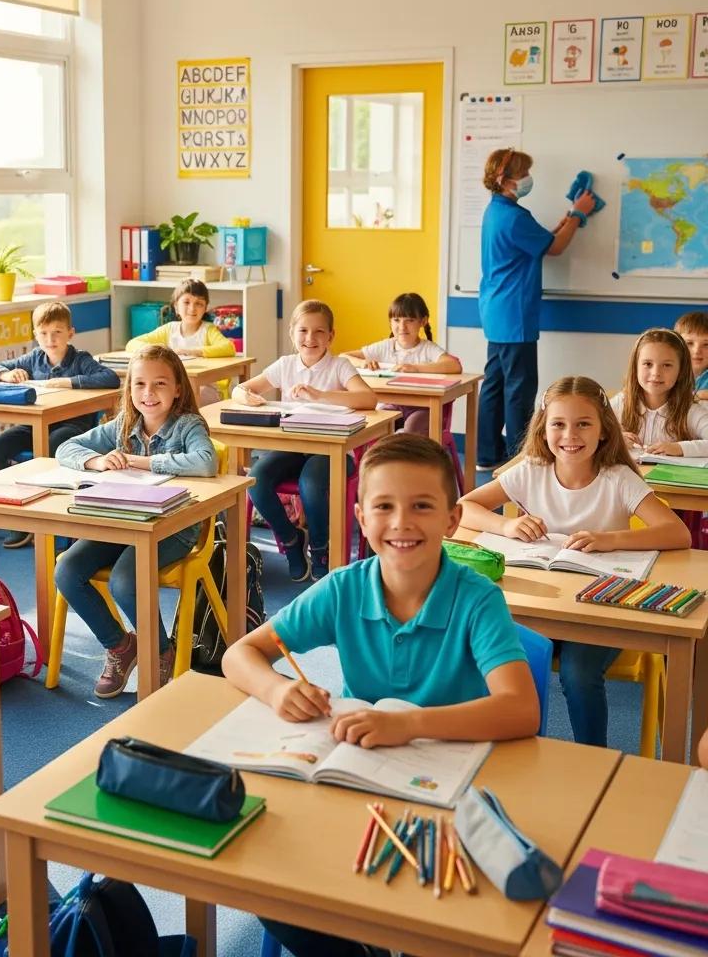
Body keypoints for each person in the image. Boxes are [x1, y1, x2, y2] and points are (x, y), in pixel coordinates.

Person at [222, 433, 539, 957]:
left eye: (421, 506)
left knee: (434, 914)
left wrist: (408, 723)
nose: (401, 523)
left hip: (449, 792)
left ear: (452, 519)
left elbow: (520, 709)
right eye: (384, 507)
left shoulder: (477, 599)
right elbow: (241, 655)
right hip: (355, 777)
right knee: (266, 881)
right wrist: (277, 690)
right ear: (362, 519)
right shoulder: (345, 587)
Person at [459, 376, 690, 747]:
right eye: (559, 424)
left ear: (603, 430)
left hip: (601, 609)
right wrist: (507, 524)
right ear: (544, 428)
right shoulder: (530, 471)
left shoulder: (618, 478)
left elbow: (677, 534)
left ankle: (593, 756)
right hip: (544, 605)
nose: (571, 435)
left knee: (578, 673)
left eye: (584, 424)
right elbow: (463, 508)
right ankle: (502, 747)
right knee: (490, 651)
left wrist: (609, 539)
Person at [53, 344, 218, 698]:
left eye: (160, 384)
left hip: (174, 528)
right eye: (140, 384)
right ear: (129, 390)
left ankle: (160, 650)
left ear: (177, 389)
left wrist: (139, 461)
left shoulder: (187, 425)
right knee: (67, 570)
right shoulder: (122, 425)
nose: (149, 393)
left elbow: (206, 462)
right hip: (122, 522)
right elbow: (65, 449)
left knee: (126, 580)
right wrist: (96, 462)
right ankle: (120, 645)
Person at [234, 299, 377, 582]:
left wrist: (320, 395)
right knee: (256, 479)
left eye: (319, 332)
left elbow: (368, 398)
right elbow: (241, 388)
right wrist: (245, 397)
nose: (310, 339)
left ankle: (320, 549)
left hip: (334, 453)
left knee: (310, 484)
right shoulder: (286, 365)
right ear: (292, 333)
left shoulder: (339, 366)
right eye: (303, 331)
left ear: (331, 336)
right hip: (294, 449)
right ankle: (290, 541)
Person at [477, 148, 596, 470]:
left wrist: (564, 223)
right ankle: (521, 458)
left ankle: (486, 455)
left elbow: (541, 241)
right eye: (524, 173)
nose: (529, 179)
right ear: (506, 179)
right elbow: (555, 248)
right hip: (514, 315)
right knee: (519, 388)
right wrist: (578, 212)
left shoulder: (496, 211)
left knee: (495, 385)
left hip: (496, 311)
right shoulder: (515, 217)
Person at [0, 300, 118, 548]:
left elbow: (109, 378)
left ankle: (55, 517)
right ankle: (18, 520)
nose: (50, 339)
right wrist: (5, 375)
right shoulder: (34, 359)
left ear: (70, 333)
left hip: (72, 427)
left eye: (57, 332)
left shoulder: (79, 359)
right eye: (43, 333)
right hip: (34, 426)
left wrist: (67, 382)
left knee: (55, 444)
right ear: (35, 335)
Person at [341, 291, 462, 435]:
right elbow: (344, 356)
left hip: (424, 408)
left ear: (423, 321)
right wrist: (363, 363)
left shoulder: (427, 348)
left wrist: (415, 368)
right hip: (393, 405)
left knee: (412, 426)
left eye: (409, 320)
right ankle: (381, 455)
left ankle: (409, 455)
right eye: (397, 320)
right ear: (390, 322)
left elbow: (454, 365)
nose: (402, 327)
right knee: (376, 421)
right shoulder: (386, 346)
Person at [126, 278, 236, 404]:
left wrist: (192, 351)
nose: (192, 308)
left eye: (199, 303)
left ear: (206, 308)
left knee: (182, 400)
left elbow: (228, 347)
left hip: (208, 387)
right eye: (186, 302)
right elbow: (132, 344)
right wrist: (162, 351)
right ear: (176, 306)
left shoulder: (208, 330)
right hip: (176, 388)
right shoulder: (169, 329)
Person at [612, 327, 708, 455]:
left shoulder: (690, 410)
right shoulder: (620, 403)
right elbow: (590, 435)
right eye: (648, 364)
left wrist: (679, 448)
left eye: (667, 365)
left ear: (681, 371)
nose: (656, 373)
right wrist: (615, 440)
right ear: (635, 367)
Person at [675, 311, 708, 402]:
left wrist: (700, 395)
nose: (697, 350)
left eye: (706, 344)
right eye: (689, 343)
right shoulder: (670, 373)